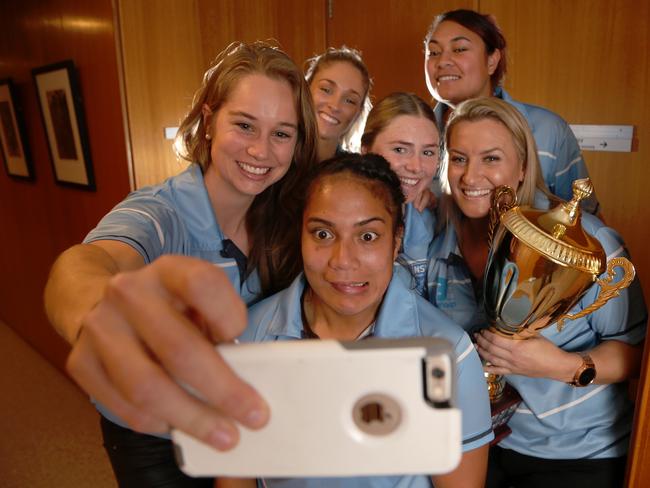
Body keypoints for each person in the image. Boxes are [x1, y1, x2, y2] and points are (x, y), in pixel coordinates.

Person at [43, 41, 319, 487]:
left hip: (246, 415)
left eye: (281, 133)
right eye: (245, 126)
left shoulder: (286, 215)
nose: (261, 151)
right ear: (209, 122)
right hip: (156, 434)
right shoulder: (161, 214)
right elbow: (88, 263)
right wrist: (96, 312)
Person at [219, 153, 492, 488]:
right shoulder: (246, 340)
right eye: (322, 234)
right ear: (300, 236)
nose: (343, 261)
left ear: (396, 241)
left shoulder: (449, 354)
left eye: (367, 237)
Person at [426, 97, 647, 488]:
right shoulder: (436, 243)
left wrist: (559, 365)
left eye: (491, 159)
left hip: (577, 455)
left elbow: (636, 356)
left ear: (524, 166)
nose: (470, 176)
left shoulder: (587, 244)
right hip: (477, 446)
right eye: (458, 158)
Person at [424, 8, 600, 214]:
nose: (443, 61)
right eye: (434, 52)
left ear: (492, 60)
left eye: (459, 49)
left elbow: (585, 221)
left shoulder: (548, 130)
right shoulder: (412, 136)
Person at [360, 92, 440, 296]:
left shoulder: (434, 222)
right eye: (400, 149)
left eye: (428, 152)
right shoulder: (330, 214)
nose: (416, 167)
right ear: (365, 150)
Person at [305, 46, 372, 161]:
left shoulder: (357, 175)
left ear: (358, 113)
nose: (335, 106)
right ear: (305, 89)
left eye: (349, 101)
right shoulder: (273, 160)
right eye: (326, 90)